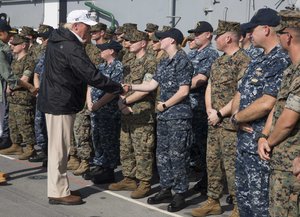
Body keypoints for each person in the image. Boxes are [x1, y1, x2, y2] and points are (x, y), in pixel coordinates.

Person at [37, 10, 127, 205]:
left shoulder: (58, 41)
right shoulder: (70, 46)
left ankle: (58, 188)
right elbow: (90, 74)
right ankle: (58, 192)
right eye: (87, 26)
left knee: (57, 149)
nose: (89, 30)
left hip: (56, 99)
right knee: (59, 150)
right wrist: (117, 87)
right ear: (76, 25)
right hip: (60, 101)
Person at [231, 8, 290, 217]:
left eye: (251, 30)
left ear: (266, 29)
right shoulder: (257, 59)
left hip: (261, 147)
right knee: (245, 203)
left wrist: (237, 117)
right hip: (244, 143)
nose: (248, 35)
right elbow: (241, 91)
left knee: (261, 208)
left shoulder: (281, 60)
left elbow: (268, 103)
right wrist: (236, 117)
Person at [129, 28, 194, 212]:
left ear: (172, 40)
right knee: (163, 154)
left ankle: (180, 192)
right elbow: (151, 84)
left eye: (161, 39)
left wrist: (165, 105)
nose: (157, 42)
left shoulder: (182, 60)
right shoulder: (164, 61)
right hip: (164, 116)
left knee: (178, 155)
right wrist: (130, 86)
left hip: (178, 116)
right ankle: (166, 188)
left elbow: (184, 91)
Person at [191, 20, 250, 217]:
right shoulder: (218, 61)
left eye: (218, 36)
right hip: (213, 121)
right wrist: (209, 110)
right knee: (213, 163)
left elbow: (240, 94)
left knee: (232, 166)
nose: (215, 39)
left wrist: (220, 113)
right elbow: (209, 86)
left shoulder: (243, 60)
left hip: (230, 124)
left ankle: (238, 207)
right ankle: (212, 201)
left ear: (228, 38)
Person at [257, 10, 300, 217]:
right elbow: (279, 106)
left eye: (280, 33)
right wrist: (264, 135)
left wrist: (268, 142)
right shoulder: (291, 70)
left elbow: (288, 121)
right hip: (282, 160)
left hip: (291, 164)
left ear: (288, 36)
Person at [108, 29, 157, 199]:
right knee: (126, 147)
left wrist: (125, 102)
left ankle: (144, 183)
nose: (128, 44)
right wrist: (122, 101)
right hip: (126, 111)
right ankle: (128, 177)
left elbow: (146, 87)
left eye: (132, 41)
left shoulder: (150, 61)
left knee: (143, 150)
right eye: (127, 41)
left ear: (143, 43)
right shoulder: (129, 61)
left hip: (142, 113)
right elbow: (123, 85)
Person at [0, 19, 36, 182]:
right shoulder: (9, 56)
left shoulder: (27, 59)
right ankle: (15, 145)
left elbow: (22, 76)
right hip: (14, 94)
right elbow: (8, 76)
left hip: (21, 97)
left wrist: (18, 86)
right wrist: (22, 87)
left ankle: (27, 146)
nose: (12, 45)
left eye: (16, 43)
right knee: (12, 124)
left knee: (24, 123)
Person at [84, 40, 123, 183]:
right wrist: (89, 102)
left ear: (111, 51)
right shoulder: (101, 66)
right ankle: (100, 164)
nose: (100, 51)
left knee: (108, 140)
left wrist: (97, 104)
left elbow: (113, 91)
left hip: (108, 110)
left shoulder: (118, 67)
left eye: (103, 49)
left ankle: (109, 170)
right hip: (96, 109)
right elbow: (90, 84)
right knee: (97, 138)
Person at [186, 21, 219, 193]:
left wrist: (181, 89)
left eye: (198, 33)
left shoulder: (211, 55)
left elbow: (201, 78)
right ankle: (199, 174)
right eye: (194, 33)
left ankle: (208, 181)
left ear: (208, 35)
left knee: (204, 145)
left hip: (200, 107)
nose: (195, 36)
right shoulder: (191, 55)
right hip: (187, 107)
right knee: (192, 144)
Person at [28, 24, 54, 164]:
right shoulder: (44, 55)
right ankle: (44, 151)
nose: (43, 42)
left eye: (45, 39)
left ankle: (52, 154)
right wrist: (38, 90)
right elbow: (37, 73)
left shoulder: (57, 53)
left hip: (53, 97)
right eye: (42, 39)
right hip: (42, 95)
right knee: (40, 124)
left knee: (52, 126)